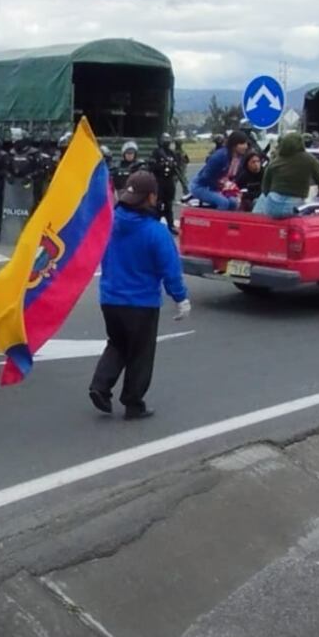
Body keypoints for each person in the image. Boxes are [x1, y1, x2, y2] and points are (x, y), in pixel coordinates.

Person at [89, 171, 190, 421]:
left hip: (109, 298)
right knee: (141, 353)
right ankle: (133, 403)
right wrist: (181, 299)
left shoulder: (109, 224)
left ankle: (100, 387)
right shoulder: (155, 232)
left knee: (117, 344)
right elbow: (170, 270)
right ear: (152, 197)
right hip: (141, 303)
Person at [253, 132, 319, 218]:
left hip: (272, 206)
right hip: (293, 205)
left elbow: (265, 186)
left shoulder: (276, 161)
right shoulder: (309, 159)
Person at [189, 131, 248, 210]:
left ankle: (229, 221)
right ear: (234, 145)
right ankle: (216, 221)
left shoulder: (238, 158)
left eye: (246, 143)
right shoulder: (220, 156)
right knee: (223, 202)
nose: (246, 146)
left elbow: (232, 177)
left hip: (220, 186)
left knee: (233, 202)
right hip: (202, 186)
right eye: (242, 144)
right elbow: (206, 177)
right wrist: (221, 188)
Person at [151, 133, 188, 232]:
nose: (166, 142)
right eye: (164, 140)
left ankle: (170, 225)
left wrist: (183, 184)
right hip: (159, 180)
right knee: (158, 204)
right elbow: (151, 167)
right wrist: (162, 165)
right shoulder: (156, 152)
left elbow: (177, 168)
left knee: (168, 204)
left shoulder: (171, 153)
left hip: (169, 181)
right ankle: (155, 224)